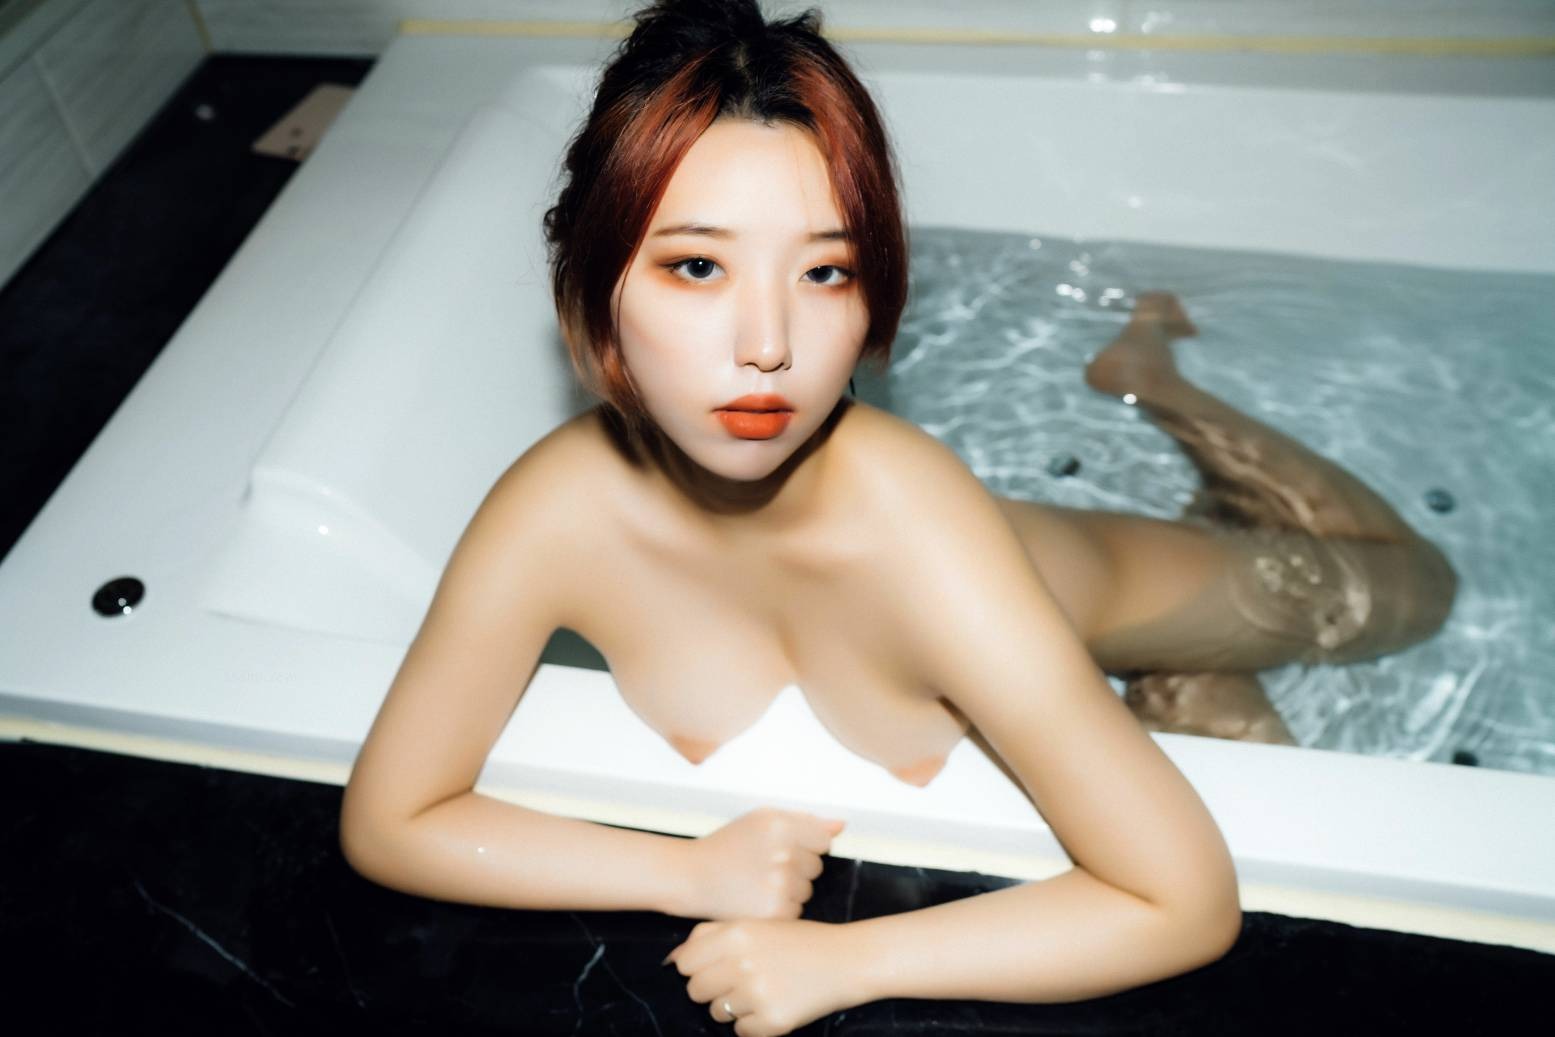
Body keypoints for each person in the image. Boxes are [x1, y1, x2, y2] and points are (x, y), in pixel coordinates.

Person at [339, 1, 1455, 1032]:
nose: (768, 344)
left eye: (825, 272)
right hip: (1004, 598)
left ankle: (1157, 385)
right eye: (697, 265)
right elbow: (394, 817)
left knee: (1409, 586)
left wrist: (846, 960)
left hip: (1093, 582)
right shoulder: (550, 510)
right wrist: (679, 871)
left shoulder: (918, 534)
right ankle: (1177, 660)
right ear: (589, 290)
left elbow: (1181, 900)